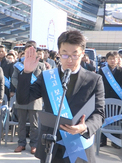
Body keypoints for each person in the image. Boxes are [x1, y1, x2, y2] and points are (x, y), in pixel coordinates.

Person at [16, 30, 104, 163]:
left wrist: (84, 127)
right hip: (51, 145)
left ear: (82, 54)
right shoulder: (48, 77)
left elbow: (99, 114)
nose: (69, 60)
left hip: (79, 144)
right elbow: (23, 99)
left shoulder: (94, 79)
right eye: (65, 54)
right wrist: (27, 72)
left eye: (75, 55)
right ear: (58, 53)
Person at [12, 41, 46, 155]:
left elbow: (43, 81)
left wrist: (31, 89)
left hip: (35, 99)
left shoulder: (41, 65)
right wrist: (24, 88)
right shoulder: (18, 65)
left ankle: (34, 145)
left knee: (34, 124)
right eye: (27, 51)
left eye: (32, 51)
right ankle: (21, 143)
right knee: (21, 123)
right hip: (21, 98)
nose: (29, 53)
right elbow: (14, 79)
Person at [98, 51, 122, 148]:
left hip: (119, 99)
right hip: (105, 98)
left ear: (118, 60)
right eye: (110, 59)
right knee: (104, 118)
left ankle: (115, 141)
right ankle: (102, 140)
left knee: (116, 119)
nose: (112, 61)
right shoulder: (102, 70)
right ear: (106, 60)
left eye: (114, 58)